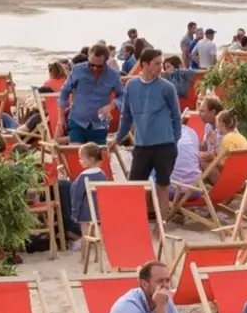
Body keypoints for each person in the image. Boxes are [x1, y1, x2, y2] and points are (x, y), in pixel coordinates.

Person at [116, 48, 182, 217]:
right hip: (142, 145)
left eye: (161, 63)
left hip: (165, 146)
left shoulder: (167, 87)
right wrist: (117, 139)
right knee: (135, 186)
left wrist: (174, 139)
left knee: (162, 185)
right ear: (144, 65)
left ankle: (162, 225)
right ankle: (136, 221)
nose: (160, 67)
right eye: (157, 64)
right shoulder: (131, 86)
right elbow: (126, 117)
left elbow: (176, 116)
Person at [57, 44, 123, 146]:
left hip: (100, 124)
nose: (95, 68)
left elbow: (122, 96)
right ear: (88, 58)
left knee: (96, 158)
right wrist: (61, 119)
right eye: (91, 65)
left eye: (99, 66)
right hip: (77, 121)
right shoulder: (77, 70)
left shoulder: (113, 75)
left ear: (106, 61)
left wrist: (111, 106)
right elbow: (64, 92)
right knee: (75, 154)